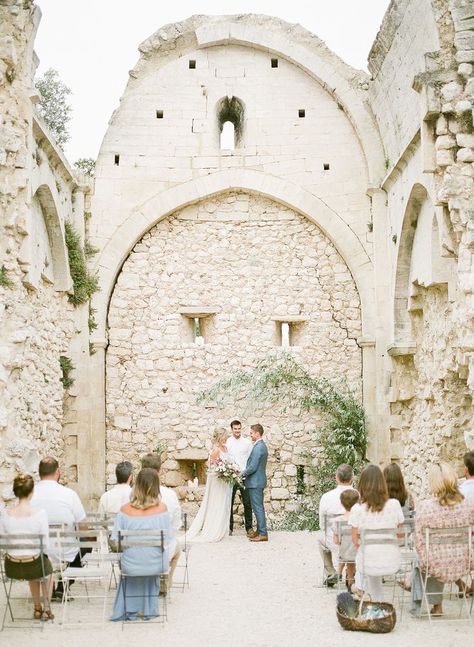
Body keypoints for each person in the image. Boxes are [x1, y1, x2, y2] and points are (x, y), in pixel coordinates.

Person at [411, 462, 474, 616]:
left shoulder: (426, 508)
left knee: (423, 558)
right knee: (433, 555)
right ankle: (436, 605)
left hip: (435, 566)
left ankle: (430, 605)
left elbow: (418, 542)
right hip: (463, 564)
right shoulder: (467, 506)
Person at [111, 468, 170, 621]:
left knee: (134, 557)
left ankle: (129, 607)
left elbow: (115, 540)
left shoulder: (124, 510)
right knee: (151, 555)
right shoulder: (162, 509)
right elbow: (167, 540)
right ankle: (148, 607)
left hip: (130, 565)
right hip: (156, 564)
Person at [31, 457, 86, 601]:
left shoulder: (29, 494)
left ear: (39, 473)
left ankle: (49, 587)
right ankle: (63, 586)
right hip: (65, 550)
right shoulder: (69, 494)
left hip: (38, 551)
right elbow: (84, 527)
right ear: (58, 472)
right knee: (87, 543)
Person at [0, 474, 54, 621]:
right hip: (34, 564)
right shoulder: (40, 514)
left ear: (16, 492)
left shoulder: (5, 514)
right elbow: (45, 544)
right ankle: (46, 609)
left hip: (12, 566)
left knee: (35, 566)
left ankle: (37, 608)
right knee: (48, 572)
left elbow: (3, 541)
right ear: (32, 492)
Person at [349, 464, 404, 601]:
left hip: (368, 562)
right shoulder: (395, 504)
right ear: (382, 483)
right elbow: (401, 535)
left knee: (366, 558)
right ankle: (375, 602)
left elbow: (355, 542)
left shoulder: (357, 509)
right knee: (372, 562)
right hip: (392, 561)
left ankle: (362, 590)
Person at [140, 452, 181, 591]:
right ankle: (164, 583)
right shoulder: (169, 495)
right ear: (160, 470)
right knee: (176, 548)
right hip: (161, 551)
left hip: (134, 554)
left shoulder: (131, 496)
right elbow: (176, 525)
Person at [186, 428, 233, 542]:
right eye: (224, 437)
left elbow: (228, 462)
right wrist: (223, 471)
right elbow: (212, 467)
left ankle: (222, 529)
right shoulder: (215, 450)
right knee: (216, 503)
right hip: (218, 482)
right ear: (219, 437)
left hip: (225, 482)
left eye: (226, 437)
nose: (226, 439)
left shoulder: (225, 448)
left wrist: (231, 470)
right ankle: (214, 529)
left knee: (224, 503)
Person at [318, 464, 354, 586]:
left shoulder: (327, 497)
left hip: (334, 541)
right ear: (352, 478)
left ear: (336, 478)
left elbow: (322, 524)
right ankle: (351, 574)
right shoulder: (359, 495)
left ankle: (330, 572)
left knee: (321, 540)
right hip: (355, 543)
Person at [241, 423, 268, 542]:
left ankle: (263, 533)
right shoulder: (260, 446)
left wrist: (241, 474)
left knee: (258, 508)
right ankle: (259, 530)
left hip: (255, 482)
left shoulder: (259, 447)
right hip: (256, 482)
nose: (250, 435)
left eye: (251, 433)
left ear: (257, 433)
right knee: (258, 507)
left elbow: (252, 467)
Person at [226, 419, 253, 536]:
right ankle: (229, 528)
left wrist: (246, 472)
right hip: (231, 477)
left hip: (244, 476)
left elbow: (251, 459)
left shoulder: (247, 443)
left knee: (247, 503)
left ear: (241, 429)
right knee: (229, 503)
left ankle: (249, 528)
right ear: (231, 429)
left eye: (239, 428)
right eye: (235, 429)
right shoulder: (228, 442)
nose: (237, 431)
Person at [332, 488, 359, 591]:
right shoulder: (360, 519)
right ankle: (351, 580)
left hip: (345, 553)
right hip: (359, 552)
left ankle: (350, 579)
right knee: (352, 552)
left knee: (348, 552)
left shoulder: (338, 521)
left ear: (342, 504)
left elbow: (336, 541)